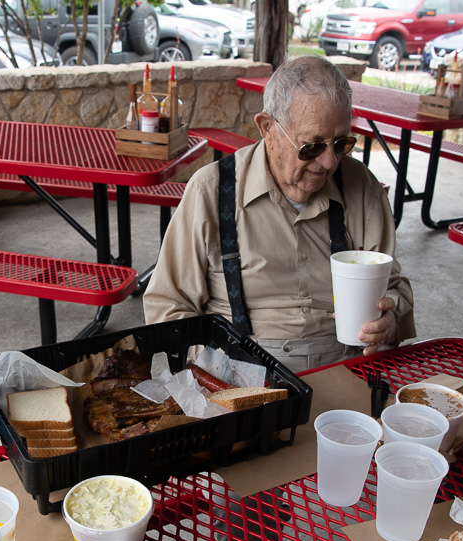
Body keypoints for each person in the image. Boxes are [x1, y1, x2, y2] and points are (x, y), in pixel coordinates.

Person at [144, 56, 414, 371]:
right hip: (237, 365)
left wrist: (390, 322)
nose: (329, 163)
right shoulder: (212, 190)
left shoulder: (362, 186)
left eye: (341, 144)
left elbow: (393, 286)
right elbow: (167, 306)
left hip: (347, 364)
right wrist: (209, 364)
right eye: (311, 146)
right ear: (268, 129)